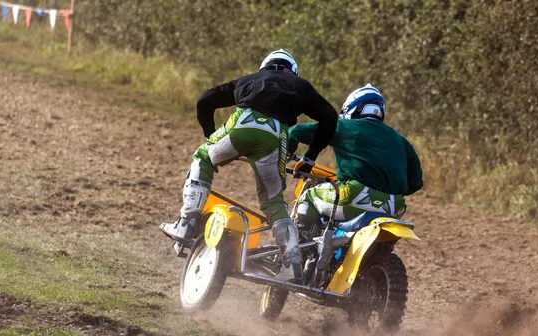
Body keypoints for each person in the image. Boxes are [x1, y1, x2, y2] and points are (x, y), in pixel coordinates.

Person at [160, 49, 338, 282]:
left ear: (265, 66)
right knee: (274, 202)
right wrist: (310, 156)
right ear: (292, 71)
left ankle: (186, 225)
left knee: (203, 158)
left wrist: (211, 136)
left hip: (243, 124)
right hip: (275, 137)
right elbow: (330, 117)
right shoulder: (301, 85)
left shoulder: (249, 79)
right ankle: (291, 260)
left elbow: (205, 100)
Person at [288, 84, 423, 235]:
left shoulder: (344, 125)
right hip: (394, 205)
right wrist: (385, 188)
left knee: (308, 196)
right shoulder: (401, 140)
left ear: (351, 109)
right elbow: (416, 182)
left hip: (354, 196)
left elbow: (296, 131)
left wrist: (287, 151)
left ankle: (296, 251)